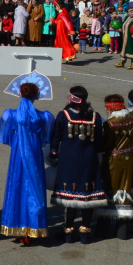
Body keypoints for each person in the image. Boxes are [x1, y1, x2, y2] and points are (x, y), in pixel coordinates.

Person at [0, 82, 54, 244]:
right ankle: (33, 227)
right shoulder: (43, 117)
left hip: (18, 154)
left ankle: (17, 225)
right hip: (34, 154)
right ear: (36, 96)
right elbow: (46, 138)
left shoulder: (11, 115)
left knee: (16, 186)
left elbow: (4, 137)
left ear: (20, 94)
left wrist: (17, 139)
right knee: (34, 186)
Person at [49, 86, 106, 244]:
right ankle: (85, 233)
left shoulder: (64, 115)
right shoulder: (95, 116)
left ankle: (68, 232)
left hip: (69, 161)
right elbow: (100, 141)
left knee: (71, 197)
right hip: (89, 160)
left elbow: (55, 138)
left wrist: (53, 154)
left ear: (71, 99)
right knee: (87, 197)